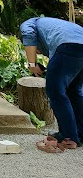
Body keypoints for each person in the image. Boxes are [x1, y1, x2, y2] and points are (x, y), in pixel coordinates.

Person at [21, 17, 83, 149]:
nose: (37, 51)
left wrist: (32, 64)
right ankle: (79, 133)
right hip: (77, 45)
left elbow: (28, 36)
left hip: (68, 45)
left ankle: (68, 137)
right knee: (75, 91)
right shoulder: (51, 26)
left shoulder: (29, 23)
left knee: (55, 91)